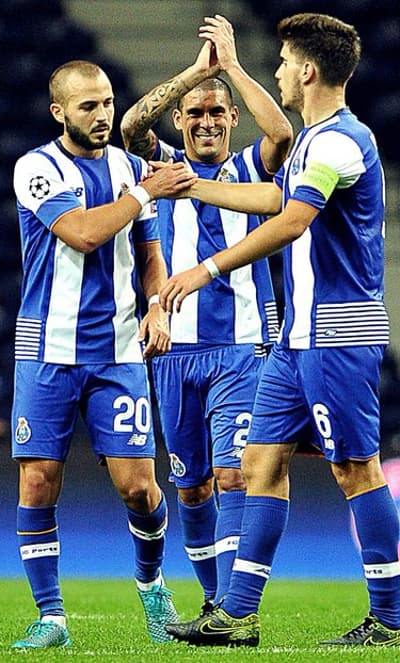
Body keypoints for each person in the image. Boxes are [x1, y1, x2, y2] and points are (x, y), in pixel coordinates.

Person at [160, 13, 400, 648]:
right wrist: (197, 187)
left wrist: (207, 267)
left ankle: (390, 619)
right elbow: (274, 199)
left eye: (280, 62)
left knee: (355, 468)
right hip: (295, 339)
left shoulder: (338, 142)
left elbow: (296, 219)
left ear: (307, 70)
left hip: (338, 332)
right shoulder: (310, 141)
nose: (276, 71)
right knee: (258, 462)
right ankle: (238, 614)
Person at [9, 60, 197, 649]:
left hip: (117, 349)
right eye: (87, 106)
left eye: (108, 102)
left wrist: (158, 305)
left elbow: (148, 253)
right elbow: (83, 232)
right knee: (38, 482)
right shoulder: (36, 168)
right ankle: (52, 617)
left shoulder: (128, 165)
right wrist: (144, 191)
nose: (102, 115)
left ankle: (151, 585)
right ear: (59, 112)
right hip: (47, 350)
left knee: (139, 486)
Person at [120, 15, 292, 613]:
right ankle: (214, 600)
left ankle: (235, 608)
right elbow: (130, 123)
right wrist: (197, 71)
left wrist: (233, 70)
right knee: (190, 487)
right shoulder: (162, 164)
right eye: (196, 112)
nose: (208, 121)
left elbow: (284, 135)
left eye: (217, 112)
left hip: (242, 349)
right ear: (181, 121)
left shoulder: (249, 168)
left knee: (235, 476)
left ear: (232, 118)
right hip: (171, 351)